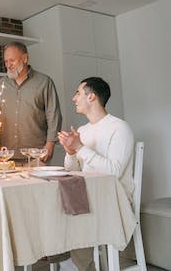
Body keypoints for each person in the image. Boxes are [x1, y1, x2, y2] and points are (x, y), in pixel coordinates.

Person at [57, 77, 135, 271]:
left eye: (78, 93)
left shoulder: (119, 128)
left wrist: (80, 147)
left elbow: (114, 172)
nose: (74, 98)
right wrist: (70, 152)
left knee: (72, 211)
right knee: (53, 204)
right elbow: (71, 172)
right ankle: (69, 260)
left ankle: (75, 263)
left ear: (91, 97)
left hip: (114, 200)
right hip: (88, 196)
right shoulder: (83, 130)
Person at [0, 41, 62, 163]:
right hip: (6, 156)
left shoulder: (44, 82)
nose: (8, 65)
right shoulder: (1, 84)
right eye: (6, 61)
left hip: (37, 154)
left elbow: (53, 115)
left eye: (12, 60)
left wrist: (50, 144)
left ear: (24, 58)